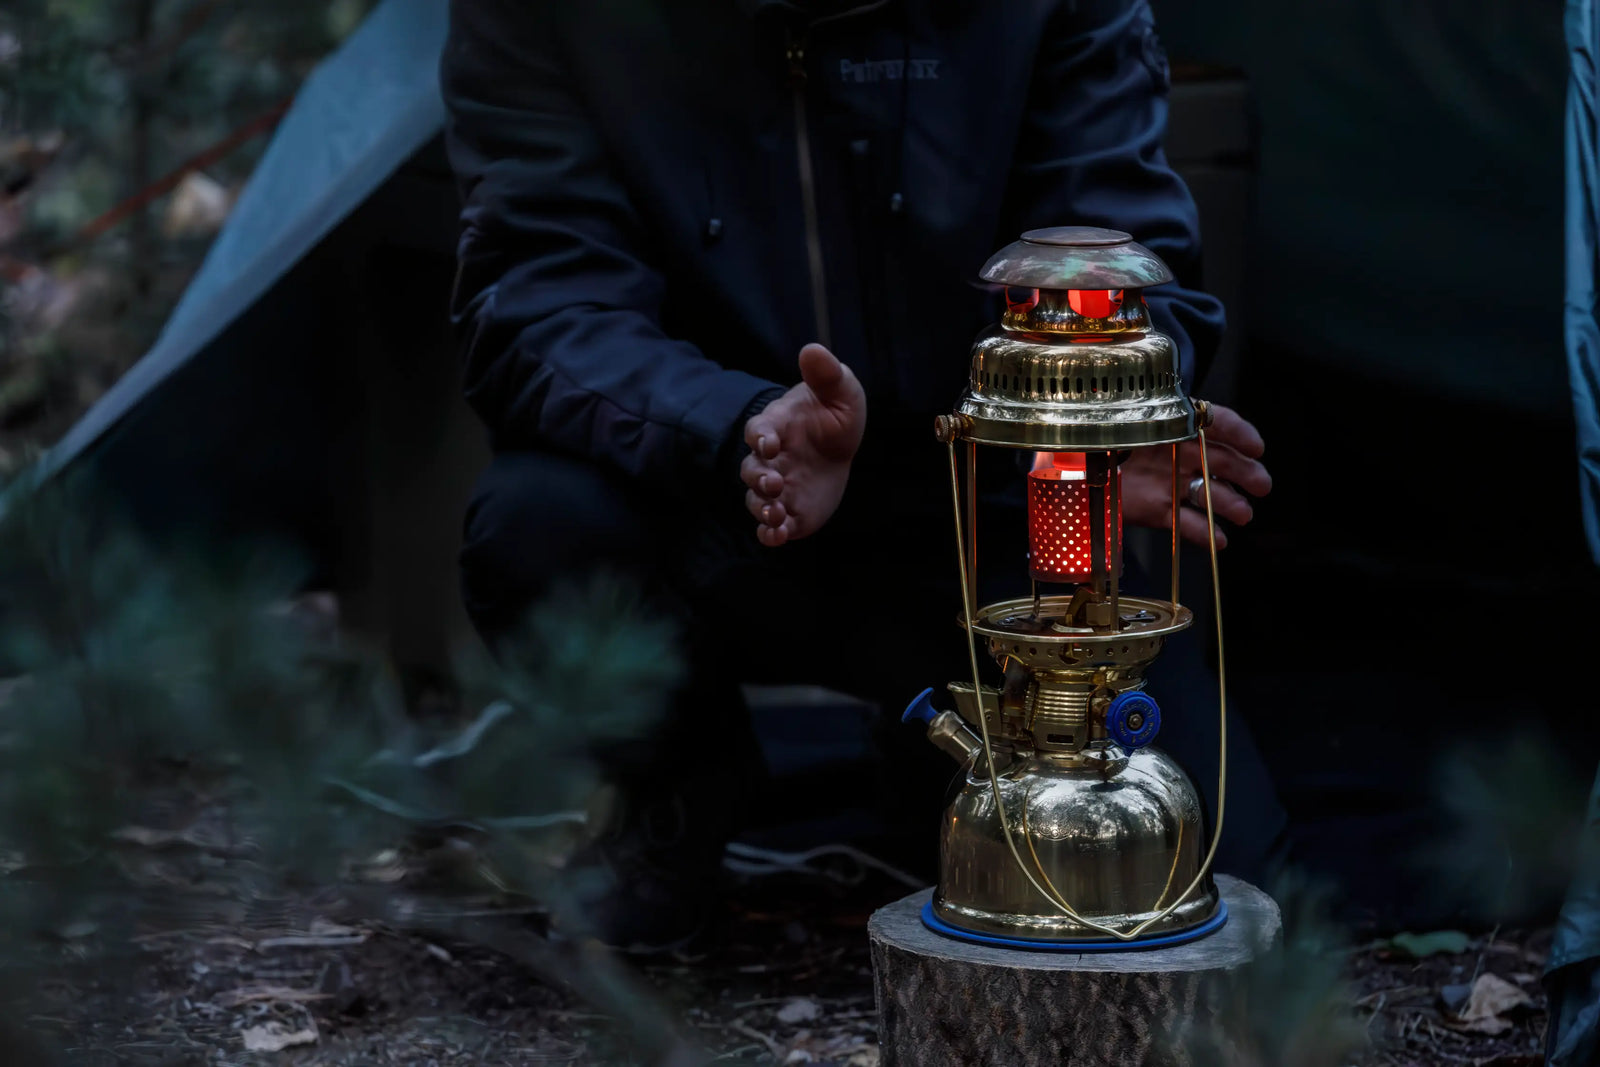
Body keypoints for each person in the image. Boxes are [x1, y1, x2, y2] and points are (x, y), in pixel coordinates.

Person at [442, 0, 1284, 950]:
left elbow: (1123, 239)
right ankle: (672, 798)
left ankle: (944, 758)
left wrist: (1100, 417)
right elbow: (538, 299)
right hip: (726, 502)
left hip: (1001, 512)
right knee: (539, 521)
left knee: (1212, 873)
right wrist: (743, 422)